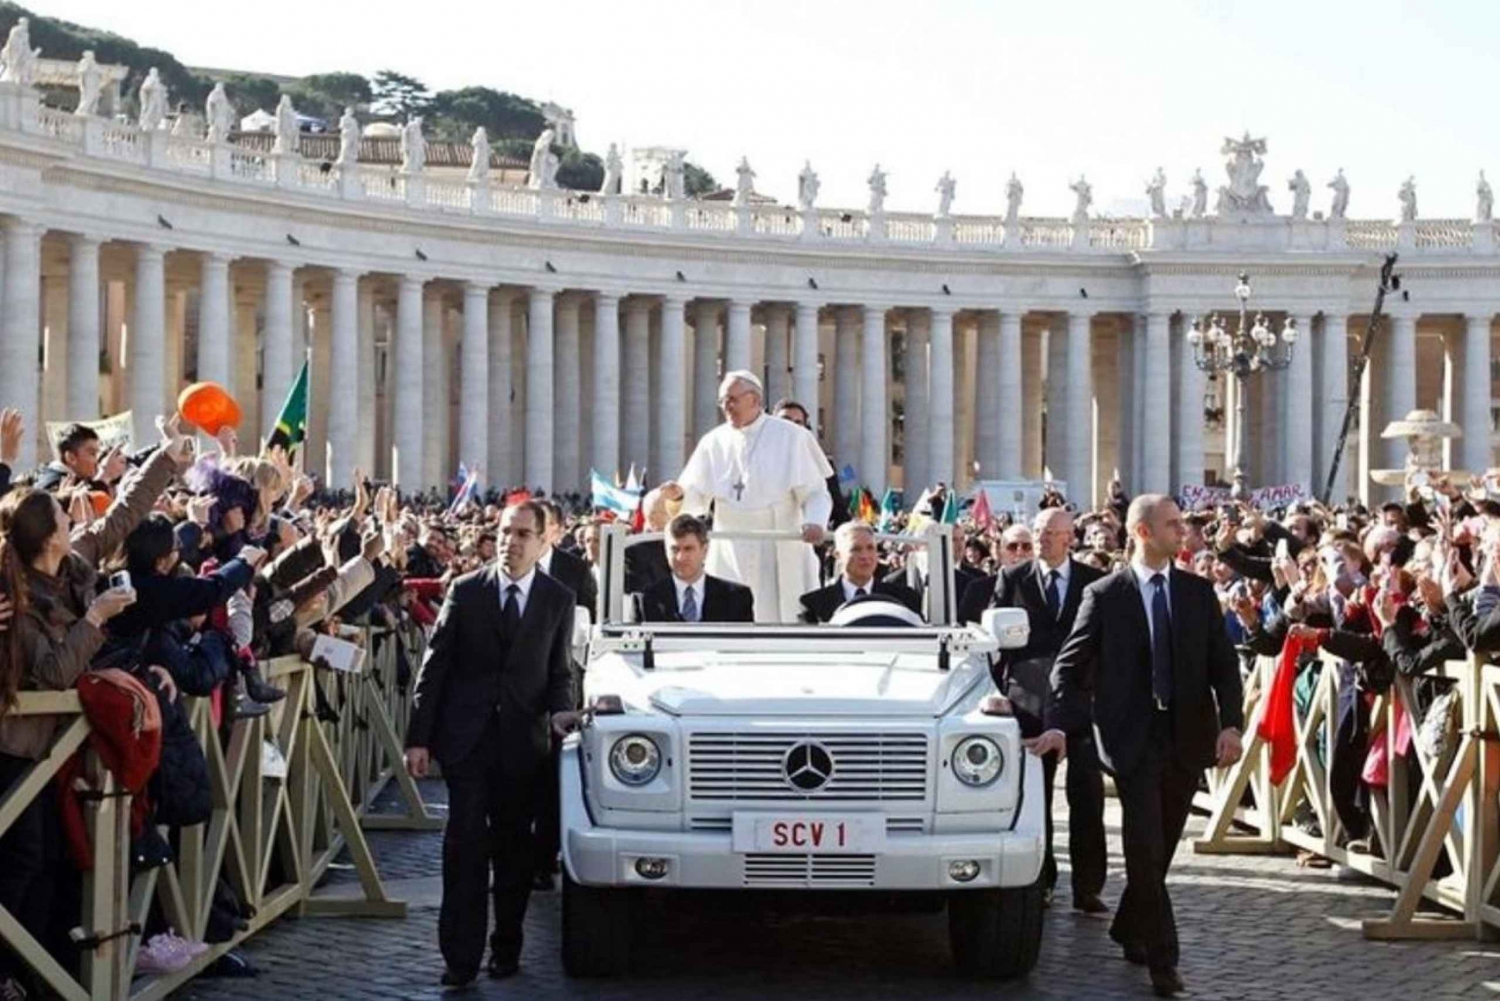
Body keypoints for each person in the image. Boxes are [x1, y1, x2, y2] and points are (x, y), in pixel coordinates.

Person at [1028, 495, 1243, 998]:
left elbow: (1223, 666)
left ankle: (1129, 925)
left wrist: (1230, 725)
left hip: (1187, 737)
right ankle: (1163, 960)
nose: (1183, 532)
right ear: (1143, 532)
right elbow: (1068, 667)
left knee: (1162, 845)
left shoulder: (1196, 593)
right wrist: (1062, 722)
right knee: (1143, 845)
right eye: (1172, 524)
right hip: (1131, 741)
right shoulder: (1106, 595)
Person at [403, 501, 581, 987]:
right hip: (467, 743)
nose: (511, 542)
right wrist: (418, 738)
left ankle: (507, 945)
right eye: (505, 532)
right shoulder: (466, 591)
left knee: (512, 852)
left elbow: (559, 672)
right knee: (463, 848)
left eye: (524, 534)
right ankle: (459, 958)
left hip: (522, 745)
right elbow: (433, 668)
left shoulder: (558, 599)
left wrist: (562, 711)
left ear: (544, 541)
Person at [960, 507, 1107, 914]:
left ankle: (1089, 886)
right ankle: (1040, 880)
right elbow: (993, 640)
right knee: (1033, 799)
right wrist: (995, 691)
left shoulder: (1094, 582)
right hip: (1027, 701)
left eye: (1050, 533)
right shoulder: (1012, 578)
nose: (1042, 540)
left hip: (1080, 702)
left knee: (1088, 797)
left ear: (1069, 538)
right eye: (1038, 532)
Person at [661, 371, 833, 623]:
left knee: (780, 619)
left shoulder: (792, 437)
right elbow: (694, 495)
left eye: (732, 399)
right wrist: (678, 495)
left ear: (753, 399)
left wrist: (815, 522)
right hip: (729, 545)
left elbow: (816, 492)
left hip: (779, 542)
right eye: (722, 401)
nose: (726, 407)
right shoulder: (713, 441)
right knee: (728, 618)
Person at [633, 514, 754, 623]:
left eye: (688, 549)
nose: (681, 557)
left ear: (705, 550)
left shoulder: (737, 598)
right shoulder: (645, 600)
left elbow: (745, 646)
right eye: (675, 550)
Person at [799, 522, 919, 623]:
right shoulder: (813, 604)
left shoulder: (905, 598)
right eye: (855, 549)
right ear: (838, 555)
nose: (865, 556)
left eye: (870, 548)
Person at [772, 398, 848, 530]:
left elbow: (838, 510)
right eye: (786, 421)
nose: (792, 427)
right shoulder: (758, 455)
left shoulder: (820, 463)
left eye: (798, 423)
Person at [33, 422, 126, 495]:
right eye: (92, 454)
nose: (97, 460)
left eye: (98, 453)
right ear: (71, 458)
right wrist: (105, 476)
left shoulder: (79, 479)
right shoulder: (51, 485)